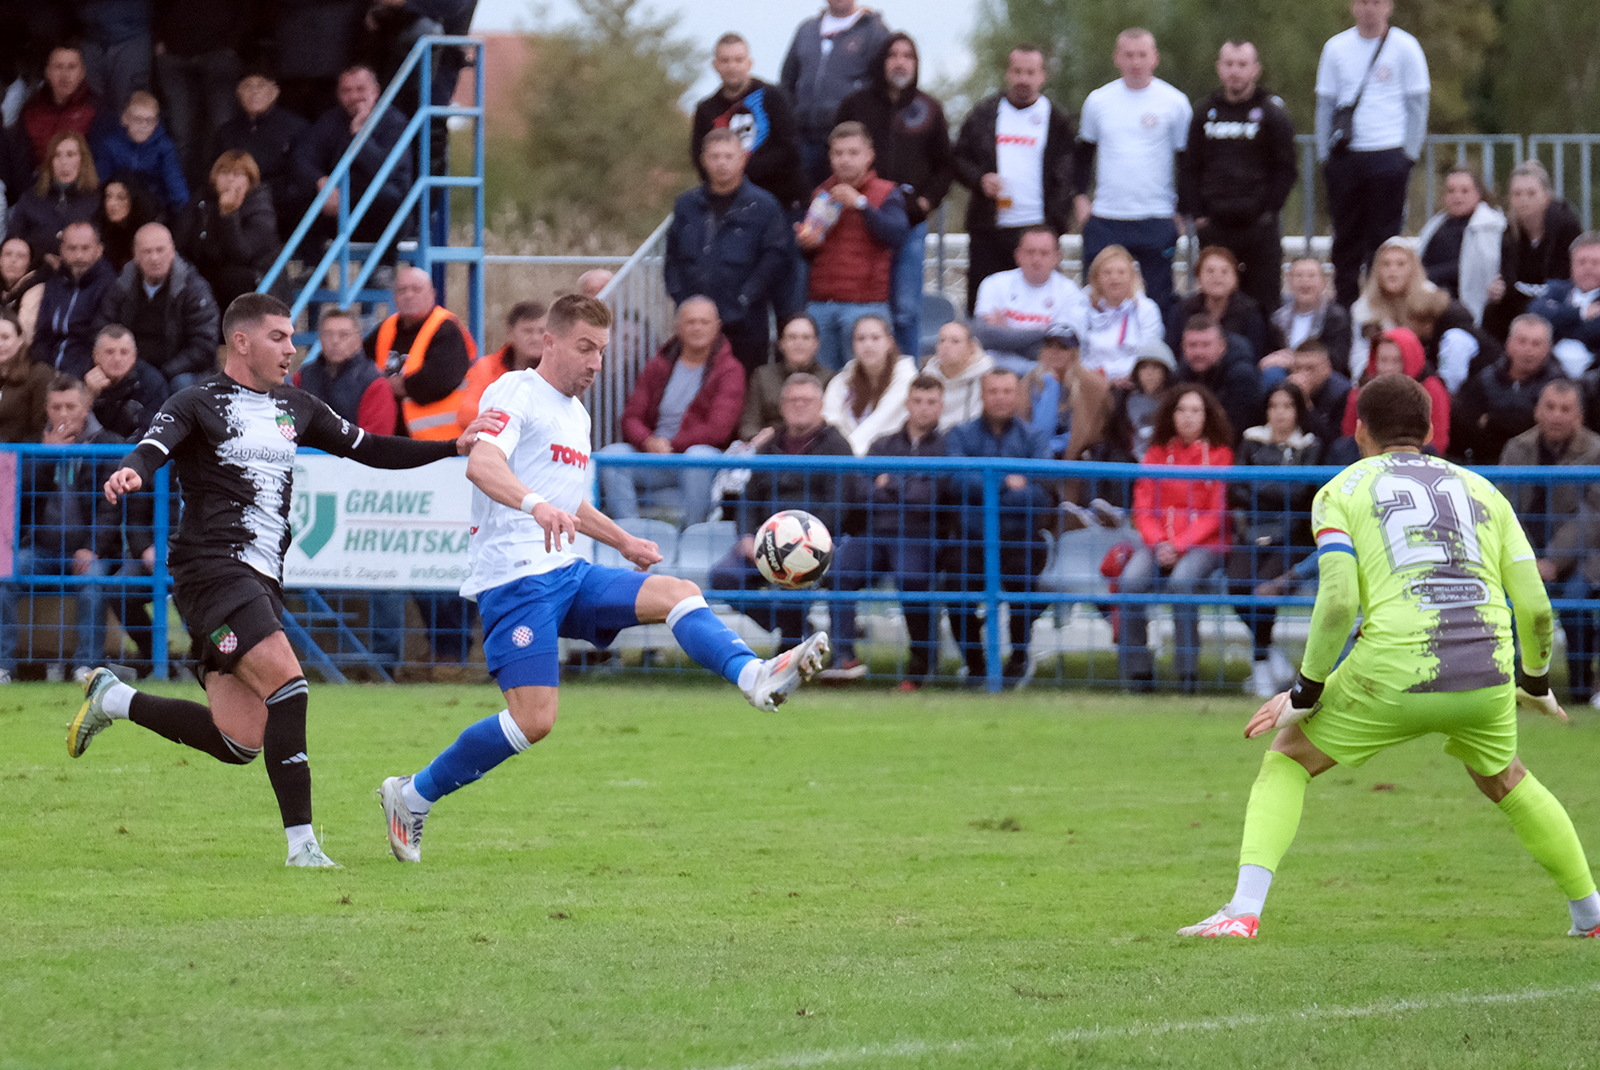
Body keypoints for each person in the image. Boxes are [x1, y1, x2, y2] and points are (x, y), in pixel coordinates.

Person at [376, 295, 832, 863]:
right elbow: (482, 463)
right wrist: (536, 505)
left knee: (679, 593)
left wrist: (624, 541)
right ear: (551, 342)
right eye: (585, 348)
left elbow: (573, 504)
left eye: (603, 352)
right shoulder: (515, 391)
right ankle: (413, 796)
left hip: (566, 572)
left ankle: (755, 676)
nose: (596, 363)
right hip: (515, 580)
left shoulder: (578, 415)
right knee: (534, 721)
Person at [68, 292, 502, 867]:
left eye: (294, 338)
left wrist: (453, 445)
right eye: (279, 337)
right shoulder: (196, 401)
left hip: (262, 580)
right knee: (290, 685)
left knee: (238, 740)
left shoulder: (296, 407)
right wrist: (131, 470)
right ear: (241, 341)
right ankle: (304, 847)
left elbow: (370, 448)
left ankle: (114, 697)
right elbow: (154, 446)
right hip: (211, 572)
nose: (292, 349)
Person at [1178, 374, 1600, 942]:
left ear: (1358, 431)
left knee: (1288, 758)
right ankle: (1590, 914)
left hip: (1397, 663)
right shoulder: (1482, 490)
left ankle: (1242, 910)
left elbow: (1338, 604)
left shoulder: (1341, 490)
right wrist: (1535, 679)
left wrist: (1305, 691)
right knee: (1505, 777)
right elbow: (1536, 607)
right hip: (1486, 665)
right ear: (1428, 431)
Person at [712, 372, 852, 650]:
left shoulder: (837, 446)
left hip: (815, 542)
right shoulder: (769, 446)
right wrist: (747, 536)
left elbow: (840, 503)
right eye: (792, 400)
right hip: (766, 540)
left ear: (821, 404)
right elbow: (749, 497)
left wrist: (805, 540)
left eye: (807, 400)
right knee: (723, 578)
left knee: (794, 577)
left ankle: (790, 646)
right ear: (782, 405)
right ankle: (797, 628)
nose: (799, 405)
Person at [836, 32, 955, 357]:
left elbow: (946, 166)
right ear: (881, 61)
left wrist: (925, 203)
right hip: (860, 221)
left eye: (908, 56)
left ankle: (906, 391)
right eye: (894, 55)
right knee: (864, 312)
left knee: (904, 310)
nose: (901, 62)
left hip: (908, 223)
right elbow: (833, 155)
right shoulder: (855, 105)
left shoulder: (928, 108)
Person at [823, 374, 947, 685]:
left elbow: (929, 498)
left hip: (919, 534)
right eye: (918, 401)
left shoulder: (947, 447)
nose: (923, 408)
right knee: (838, 570)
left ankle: (922, 662)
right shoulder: (883, 444)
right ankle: (843, 657)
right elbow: (861, 491)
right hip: (875, 531)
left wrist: (889, 482)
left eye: (931, 402)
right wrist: (908, 486)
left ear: (941, 406)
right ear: (907, 403)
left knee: (911, 579)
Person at [0, 375, 124, 684]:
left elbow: (111, 508)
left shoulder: (109, 444)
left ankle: (86, 668)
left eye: (71, 406)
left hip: (86, 549)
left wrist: (92, 546)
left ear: (86, 407)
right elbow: (17, 497)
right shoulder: (31, 445)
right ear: (47, 409)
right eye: (56, 407)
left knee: (94, 580)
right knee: (4, 575)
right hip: (39, 548)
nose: (64, 414)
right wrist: (47, 455)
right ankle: (3, 666)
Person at [1118, 383, 1234, 692]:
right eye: (1181, 410)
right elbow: (1142, 508)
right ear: (1171, 415)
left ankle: (1187, 673)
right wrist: (1159, 543)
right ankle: (1138, 672)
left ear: (1206, 415)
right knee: (1130, 583)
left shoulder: (1221, 456)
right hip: (1158, 542)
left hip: (1205, 544)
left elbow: (1216, 512)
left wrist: (1180, 544)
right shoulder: (1155, 454)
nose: (1187, 417)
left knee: (1181, 583)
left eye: (1195, 410)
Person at [1315, 0, 1431, 307]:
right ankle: (1345, 305)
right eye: (1364, 2)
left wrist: (1409, 155)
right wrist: (1325, 155)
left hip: (1389, 152)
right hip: (1346, 154)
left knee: (1385, 241)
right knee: (1345, 238)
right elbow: (1325, 105)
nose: (1370, 9)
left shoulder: (1405, 47)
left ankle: (1384, 306)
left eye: (1377, 2)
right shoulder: (1336, 47)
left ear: (1389, 7)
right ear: (1353, 6)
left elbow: (1417, 104)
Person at [944, 368, 1054, 684]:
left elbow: (1040, 493)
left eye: (1007, 391)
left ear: (1017, 395)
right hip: (972, 537)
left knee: (1024, 593)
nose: (1001, 398)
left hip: (1020, 536)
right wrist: (1005, 482)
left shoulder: (1034, 438)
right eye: (993, 391)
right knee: (957, 592)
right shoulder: (960, 435)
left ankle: (1019, 658)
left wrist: (985, 485)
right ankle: (975, 664)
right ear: (982, 395)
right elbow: (956, 482)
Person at [952, 45, 1076, 317]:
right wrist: (980, 179)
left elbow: (1069, 174)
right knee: (985, 308)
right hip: (990, 229)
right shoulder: (984, 113)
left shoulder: (1057, 119)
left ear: (1042, 76)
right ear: (1008, 73)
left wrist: (1057, 222)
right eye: (1018, 71)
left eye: (1031, 72)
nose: (1024, 79)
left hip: (1038, 229)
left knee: (1044, 311)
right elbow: (957, 158)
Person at [599, 296, 745, 527]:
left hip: (700, 459)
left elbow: (718, 430)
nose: (697, 328)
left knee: (698, 457)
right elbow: (631, 416)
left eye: (704, 322)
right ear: (678, 327)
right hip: (655, 455)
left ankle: (693, 535)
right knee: (611, 455)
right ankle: (630, 535)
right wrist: (648, 441)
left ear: (717, 327)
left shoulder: (729, 370)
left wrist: (672, 444)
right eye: (690, 322)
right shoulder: (659, 365)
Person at [1074, 29, 1192, 314]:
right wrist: (1079, 199)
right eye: (1129, 55)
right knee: (1098, 300)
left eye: (1142, 55)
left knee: (1155, 301)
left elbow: (1187, 162)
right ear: (1117, 58)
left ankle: (1154, 358)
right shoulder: (1099, 101)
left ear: (1155, 58)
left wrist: (1182, 212)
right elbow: (1083, 155)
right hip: (1106, 218)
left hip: (1156, 216)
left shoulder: (1175, 102)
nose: (1135, 62)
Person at [1498, 380, 1600, 705]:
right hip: (1524, 554)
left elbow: (1592, 515)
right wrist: (1530, 560)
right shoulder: (1516, 448)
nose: (1556, 415)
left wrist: (1554, 561)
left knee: (1576, 597)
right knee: (1503, 600)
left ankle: (1581, 688)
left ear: (1579, 416)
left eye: (1565, 408)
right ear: (1537, 411)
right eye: (1550, 407)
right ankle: (1511, 686)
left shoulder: (1596, 451)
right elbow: (1505, 510)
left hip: (1580, 558)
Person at [1178, 40, 1298, 315]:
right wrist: (1198, 215)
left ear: (1255, 69)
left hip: (1258, 227)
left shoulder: (1271, 114)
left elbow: (1286, 169)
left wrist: (1268, 211)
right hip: (1215, 226)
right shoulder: (1204, 112)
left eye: (1242, 64)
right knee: (1215, 301)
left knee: (1264, 304)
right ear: (1219, 69)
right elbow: (1190, 167)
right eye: (1229, 64)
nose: (1235, 71)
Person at [665, 128, 796, 374]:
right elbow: (673, 258)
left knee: (743, 395)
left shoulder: (764, 206)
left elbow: (775, 258)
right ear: (704, 160)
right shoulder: (686, 205)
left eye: (728, 156)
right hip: (694, 324)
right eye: (715, 157)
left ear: (743, 158)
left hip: (745, 324)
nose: (721, 163)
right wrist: (682, 299)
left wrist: (745, 298)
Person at [1227, 382, 1321, 699]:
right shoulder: (1251, 440)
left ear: (1298, 411)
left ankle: (1260, 663)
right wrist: (1274, 488)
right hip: (1252, 529)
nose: (1279, 413)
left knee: (1265, 589)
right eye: (1273, 406)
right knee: (1237, 585)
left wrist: (1260, 486)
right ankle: (1270, 653)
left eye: (1286, 406)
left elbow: (1299, 494)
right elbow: (1236, 487)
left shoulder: (1309, 446)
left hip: (1293, 534)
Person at [797, 122, 908, 372]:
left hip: (865, 306)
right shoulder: (821, 194)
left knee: (867, 382)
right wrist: (807, 244)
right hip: (821, 304)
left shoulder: (887, 192)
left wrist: (861, 204)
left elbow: (897, 235)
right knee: (821, 384)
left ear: (869, 156)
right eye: (838, 153)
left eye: (853, 153)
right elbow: (810, 254)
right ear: (830, 157)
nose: (844, 160)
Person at [290, 64, 413, 249]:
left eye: (360, 89)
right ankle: (312, 271)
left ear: (376, 92)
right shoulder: (331, 120)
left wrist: (360, 134)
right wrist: (321, 182)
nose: (353, 97)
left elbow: (381, 170)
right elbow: (302, 157)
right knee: (295, 197)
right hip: (340, 201)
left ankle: (382, 269)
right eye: (346, 91)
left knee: (387, 197)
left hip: (381, 206)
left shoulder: (395, 122)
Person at [93, 222, 220, 391]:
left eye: (160, 250)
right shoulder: (122, 286)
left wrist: (163, 373)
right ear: (136, 255)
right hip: (131, 367)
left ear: (172, 251)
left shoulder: (193, 289)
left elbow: (204, 346)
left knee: (181, 385)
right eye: (147, 251)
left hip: (179, 372)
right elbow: (103, 328)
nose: (154, 258)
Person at [690, 32, 807, 212]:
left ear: (749, 63)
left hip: (779, 201)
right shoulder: (706, 109)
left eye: (738, 60)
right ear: (715, 65)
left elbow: (789, 150)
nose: (732, 66)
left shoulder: (774, 98)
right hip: (729, 205)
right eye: (725, 60)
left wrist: (740, 170)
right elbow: (699, 155)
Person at [780, 0, 891, 188]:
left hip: (848, 143)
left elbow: (883, 86)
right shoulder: (807, 30)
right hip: (805, 139)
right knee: (810, 203)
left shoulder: (874, 31)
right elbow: (787, 80)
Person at [364, 266, 476, 439]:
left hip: (438, 440)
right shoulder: (386, 328)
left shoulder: (446, 329)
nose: (409, 295)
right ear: (394, 297)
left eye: (416, 289)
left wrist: (384, 386)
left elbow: (436, 381)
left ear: (432, 294)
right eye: (402, 290)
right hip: (389, 436)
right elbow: (361, 368)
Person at [151, 0, 250, 182]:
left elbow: (246, 9)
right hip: (175, 54)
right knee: (181, 130)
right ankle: (182, 198)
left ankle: (217, 192)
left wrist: (233, 45)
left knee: (222, 129)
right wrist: (158, 38)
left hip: (218, 54)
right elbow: (158, 7)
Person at [1484, 160, 1583, 340]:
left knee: (1534, 312)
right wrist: (1499, 289)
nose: (1523, 200)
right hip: (1521, 300)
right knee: (1492, 311)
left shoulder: (1565, 226)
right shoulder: (1509, 232)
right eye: (1517, 193)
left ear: (1546, 195)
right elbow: (1509, 280)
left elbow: (1566, 279)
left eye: (1531, 193)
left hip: (1557, 301)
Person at [1451, 314, 1568, 466]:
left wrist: (1493, 421)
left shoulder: (1560, 385)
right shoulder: (1483, 381)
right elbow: (1466, 424)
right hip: (1488, 464)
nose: (1528, 350)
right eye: (1522, 341)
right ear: (1509, 343)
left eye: (1536, 344)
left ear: (1548, 348)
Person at [209, 70, 310, 240]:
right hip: (234, 209)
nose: (254, 92)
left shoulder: (297, 128)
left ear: (275, 91)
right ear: (238, 93)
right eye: (247, 86)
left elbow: (300, 178)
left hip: (282, 211)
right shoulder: (226, 132)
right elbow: (213, 173)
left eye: (261, 85)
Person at [970, 224, 1086, 373]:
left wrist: (1008, 333)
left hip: (1046, 373)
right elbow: (984, 337)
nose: (1036, 259)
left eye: (1044, 253)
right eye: (1030, 252)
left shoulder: (1071, 293)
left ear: (1057, 257)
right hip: (996, 372)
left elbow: (1060, 349)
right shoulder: (994, 283)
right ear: (1018, 255)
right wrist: (1043, 332)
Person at [174, 150, 280, 310]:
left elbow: (242, 255)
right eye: (224, 172)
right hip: (208, 273)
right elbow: (182, 241)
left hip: (253, 279)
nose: (230, 179)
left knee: (230, 279)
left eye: (238, 174)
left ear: (249, 180)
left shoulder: (260, 206)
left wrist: (229, 214)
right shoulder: (202, 200)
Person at [1340, 327, 1450, 459]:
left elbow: (1438, 441)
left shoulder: (1432, 389)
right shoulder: (1362, 390)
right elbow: (1349, 432)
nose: (1389, 368)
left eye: (1396, 361)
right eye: (1383, 360)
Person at [1416, 168, 1505, 324]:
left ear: (1478, 193)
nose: (1457, 197)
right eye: (1451, 191)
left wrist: (1428, 275)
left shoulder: (1493, 227)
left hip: (1466, 306)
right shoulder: (1435, 225)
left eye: (1465, 191)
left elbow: (1472, 267)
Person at [29, 221, 119, 377]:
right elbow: (42, 336)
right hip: (48, 371)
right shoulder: (54, 284)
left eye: (85, 248)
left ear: (99, 250)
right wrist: (42, 370)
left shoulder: (110, 285)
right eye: (72, 248)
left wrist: (69, 377)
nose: (78, 256)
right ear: (62, 250)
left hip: (84, 372)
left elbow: (98, 341)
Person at [822, 313, 917, 456]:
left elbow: (881, 422)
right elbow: (830, 420)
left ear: (889, 343)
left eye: (875, 338)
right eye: (861, 339)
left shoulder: (907, 377)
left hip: (889, 459)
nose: (868, 344)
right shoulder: (841, 380)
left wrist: (848, 454)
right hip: (843, 464)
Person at [1019, 326, 1113, 465]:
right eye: (1050, 346)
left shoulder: (1092, 385)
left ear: (1074, 353)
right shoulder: (1029, 381)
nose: (1055, 352)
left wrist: (1055, 446)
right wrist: (1051, 386)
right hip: (1036, 458)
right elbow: (1038, 431)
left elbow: (1089, 435)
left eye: (1063, 347)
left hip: (1078, 461)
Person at [1165, 245, 1273, 363]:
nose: (1217, 277)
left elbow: (1255, 355)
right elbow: (1172, 353)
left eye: (1225, 271)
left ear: (1235, 278)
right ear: (1199, 277)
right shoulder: (1182, 309)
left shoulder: (1251, 312)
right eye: (1210, 271)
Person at [738, 313, 836, 441]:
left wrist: (779, 435)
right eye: (792, 337)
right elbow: (748, 425)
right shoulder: (763, 375)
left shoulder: (831, 379)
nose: (798, 343)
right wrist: (758, 438)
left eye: (805, 338)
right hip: (767, 449)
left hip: (813, 448)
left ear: (816, 344)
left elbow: (831, 424)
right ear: (781, 343)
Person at [1075, 244, 1164, 385]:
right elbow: (1077, 352)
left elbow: (1147, 354)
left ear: (1132, 276)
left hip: (1132, 383)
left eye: (1121, 272)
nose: (1114, 278)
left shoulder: (1147, 309)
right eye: (1107, 273)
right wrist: (1095, 377)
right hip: (1090, 382)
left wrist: (1118, 376)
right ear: (1096, 278)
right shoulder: (1084, 307)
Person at [296, 306, 394, 433]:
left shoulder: (375, 384)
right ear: (320, 338)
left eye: (344, 335)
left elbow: (376, 441)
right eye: (328, 334)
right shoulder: (303, 377)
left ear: (359, 339)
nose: (335, 341)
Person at [90, 91, 188, 215]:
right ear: (125, 119)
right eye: (138, 119)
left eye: (149, 120)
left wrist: (184, 212)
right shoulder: (111, 145)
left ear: (156, 123)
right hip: (117, 205)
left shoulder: (164, 148)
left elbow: (175, 182)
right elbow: (100, 180)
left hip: (152, 205)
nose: (143, 126)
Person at [9, 131, 100, 262]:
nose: (63, 162)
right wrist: (42, 257)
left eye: (70, 155)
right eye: (56, 156)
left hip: (84, 273)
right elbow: (14, 241)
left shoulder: (97, 197)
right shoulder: (31, 198)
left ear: (83, 159)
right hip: (37, 270)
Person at [457, 300, 547, 431]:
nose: (535, 338)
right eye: (528, 331)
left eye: (541, 331)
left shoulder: (559, 371)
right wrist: (512, 424)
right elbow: (466, 413)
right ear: (510, 332)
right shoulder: (486, 367)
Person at [1175, 313, 1264, 446]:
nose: (1198, 352)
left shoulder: (1242, 376)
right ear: (1183, 348)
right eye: (1192, 345)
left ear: (1222, 347)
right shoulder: (1182, 374)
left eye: (1206, 345)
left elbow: (1238, 430)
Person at [1349, 238, 1436, 371]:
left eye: (1401, 264)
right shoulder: (1362, 308)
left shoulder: (1432, 298)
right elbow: (1359, 355)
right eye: (1386, 264)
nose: (1392, 270)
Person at [1264, 257, 1354, 379]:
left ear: (1324, 282)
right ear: (1289, 282)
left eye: (1311, 276)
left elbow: (1338, 359)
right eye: (1299, 276)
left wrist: (1295, 360)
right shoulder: (1277, 318)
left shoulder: (1336, 317)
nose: (1305, 281)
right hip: (1284, 376)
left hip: (1321, 376)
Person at [1528, 231, 1600, 379]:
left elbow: (1595, 332)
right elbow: (1535, 314)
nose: (1588, 268)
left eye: (1595, 262)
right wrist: (1581, 313)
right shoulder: (1555, 289)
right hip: (1545, 374)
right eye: (1581, 262)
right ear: (1571, 265)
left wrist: (1557, 324)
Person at [82, 323, 168, 439]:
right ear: (96, 355)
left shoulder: (152, 382)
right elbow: (68, 430)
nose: (117, 359)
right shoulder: (79, 379)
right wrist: (88, 397)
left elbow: (152, 434)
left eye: (124, 352)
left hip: (135, 452)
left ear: (134, 356)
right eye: (109, 352)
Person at [20, 46, 99, 169]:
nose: (65, 75)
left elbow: (99, 160)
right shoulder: (31, 108)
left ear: (82, 72)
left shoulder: (96, 108)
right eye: (58, 67)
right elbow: (20, 158)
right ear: (47, 72)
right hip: (36, 182)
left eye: (72, 67)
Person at [1103, 338, 1176, 464]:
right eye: (1144, 368)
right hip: (1133, 464)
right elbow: (1116, 436)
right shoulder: (1125, 400)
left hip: (1167, 462)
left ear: (1166, 371)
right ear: (1136, 372)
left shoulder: (1177, 402)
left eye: (1156, 368)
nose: (1149, 374)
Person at [921, 321, 994, 431]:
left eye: (955, 341)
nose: (946, 346)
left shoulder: (986, 377)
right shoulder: (927, 377)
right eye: (942, 340)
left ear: (971, 348)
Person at [1285, 338, 1352, 444]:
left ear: (1327, 368)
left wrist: (1306, 402)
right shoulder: (1286, 388)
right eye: (1297, 368)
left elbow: (1332, 441)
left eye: (1310, 368)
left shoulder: (1343, 393)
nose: (1303, 374)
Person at [0, 307, 52, 441]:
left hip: (23, 456)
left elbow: (42, 426)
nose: (0, 344)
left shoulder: (38, 374)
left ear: (20, 339)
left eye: (5, 337)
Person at [93, 175, 159, 272]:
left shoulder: (151, 232)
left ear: (134, 200)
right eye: (108, 196)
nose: (112, 203)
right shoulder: (98, 229)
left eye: (121, 197)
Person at [0, 236, 48, 344]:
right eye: (8, 254)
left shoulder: (37, 293)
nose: (13, 260)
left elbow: (25, 336)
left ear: (30, 263)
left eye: (21, 256)